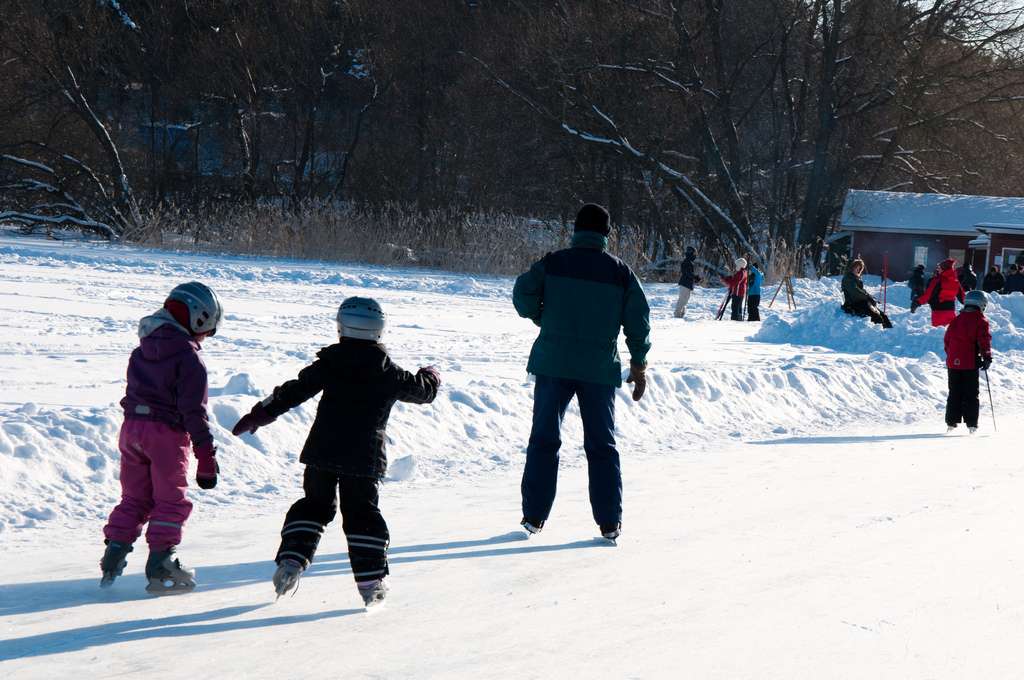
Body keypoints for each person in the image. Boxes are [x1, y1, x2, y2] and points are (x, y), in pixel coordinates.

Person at [230, 297, 440, 606]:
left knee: (314, 506)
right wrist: (431, 376)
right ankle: (370, 583)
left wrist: (260, 414)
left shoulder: (329, 364)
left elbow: (293, 390)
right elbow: (422, 393)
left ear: (341, 327)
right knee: (361, 515)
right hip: (364, 459)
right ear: (379, 331)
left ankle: (291, 561)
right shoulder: (389, 373)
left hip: (322, 454)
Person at [512, 203, 651, 541]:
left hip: (553, 364)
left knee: (544, 439)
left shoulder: (554, 262)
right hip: (598, 369)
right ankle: (609, 523)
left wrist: (542, 316)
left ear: (575, 230)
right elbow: (638, 319)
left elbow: (522, 294)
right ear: (606, 234)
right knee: (602, 444)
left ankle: (533, 517)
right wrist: (638, 363)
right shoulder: (620, 272)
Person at [99, 282, 223, 594]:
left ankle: (113, 553)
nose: (206, 338)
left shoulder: (141, 350)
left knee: (135, 498)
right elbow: (194, 412)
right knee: (170, 500)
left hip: (131, 430)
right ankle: (161, 565)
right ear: (198, 319)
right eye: (208, 330)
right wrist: (206, 456)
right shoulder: (190, 359)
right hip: (165, 435)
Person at [943, 290, 992, 434]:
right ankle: (971, 424)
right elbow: (984, 341)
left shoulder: (956, 320)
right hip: (969, 363)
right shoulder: (980, 321)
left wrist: (952, 356)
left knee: (954, 392)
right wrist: (986, 357)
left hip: (953, 363)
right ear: (981, 305)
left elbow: (947, 341)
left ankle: (951, 422)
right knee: (971, 393)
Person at [841, 259, 893, 328]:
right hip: (853, 304)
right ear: (851, 268)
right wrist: (867, 297)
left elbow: (862, 291)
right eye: (856, 268)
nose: (857, 270)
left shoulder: (855, 279)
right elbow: (855, 292)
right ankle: (880, 335)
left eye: (859, 269)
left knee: (884, 316)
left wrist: (870, 297)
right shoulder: (848, 279)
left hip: (862, 302)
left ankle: (889, 333)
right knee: (877, 317)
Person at [917, 258, 965, 327]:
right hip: (950, 311)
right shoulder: (955, 281)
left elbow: (928, 295)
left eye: (939, 267)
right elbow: (963, 298)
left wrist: (917, 302)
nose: (938, 269)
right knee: (948, 333)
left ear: (944, 269)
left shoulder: (937, 280)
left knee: (938, 333)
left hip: (938, 311)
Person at [674, 246, 701, 318]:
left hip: (687, 284)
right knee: (682, 299)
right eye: (694, 253)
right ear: (691, 253)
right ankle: (677, 315)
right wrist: (695, 277)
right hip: (684, 284)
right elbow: (687, 273)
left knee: (685, 300)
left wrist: (695, 278)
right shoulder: (686, 262)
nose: (695, 255)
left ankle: (681, 315)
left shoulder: (689, 262)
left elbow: (689, 274)